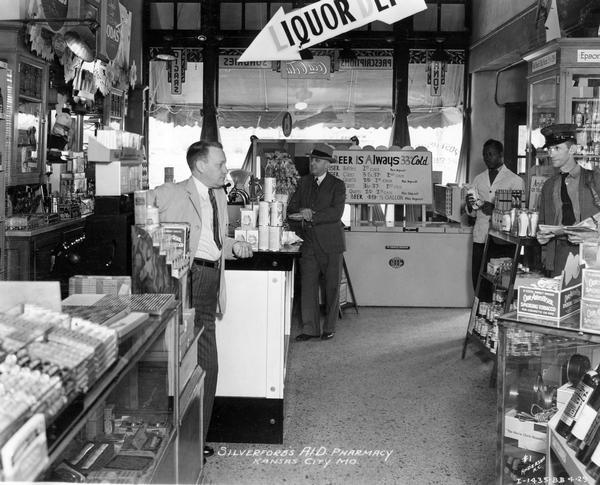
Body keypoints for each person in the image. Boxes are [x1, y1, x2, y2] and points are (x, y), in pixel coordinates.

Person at [149, 140, 253, 461]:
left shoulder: (219, 194)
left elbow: (212, 236)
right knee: (175, 354)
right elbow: (140, 216)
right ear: (200, 166)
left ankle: (197, 436)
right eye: (220, 164)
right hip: (183, 277)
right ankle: (170, 436)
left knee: (204, 358)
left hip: (208, 278)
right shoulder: (168, 193)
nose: (226, 168)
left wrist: (234, 244)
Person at [288, 143, 346, 341]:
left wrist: (311, 215)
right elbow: (291, 209)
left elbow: (336, 213)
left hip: (331, 244)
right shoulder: (303, 183)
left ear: (327, 164)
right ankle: (310, 328)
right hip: (308, 243)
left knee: (331, 287)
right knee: (308, 286)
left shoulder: (338, 185)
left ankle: (329, 326)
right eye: (312, 159)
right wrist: (300, 217)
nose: (313, 163)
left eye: (317, 160)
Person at [537, 124, 600, 276]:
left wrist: (595, 236)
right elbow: (543, 225)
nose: (551, 154)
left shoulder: (595, 180)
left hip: (591, 256)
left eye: (557, 148)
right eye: (549, 149)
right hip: (559, 256)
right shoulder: (548, 186)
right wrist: (542, 237)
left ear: (572, 150)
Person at [466, 139, 525, 289]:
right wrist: (469, 204)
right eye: (485, 154)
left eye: (491, 154)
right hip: (481, 237)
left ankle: (499, 311)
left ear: (500, 155)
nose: (487, 158)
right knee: (479, 278)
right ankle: (480, 311)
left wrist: (495, 208)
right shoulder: (478, 179)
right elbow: (472, 214)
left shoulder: (515, 180)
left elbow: (518, 214)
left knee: (501, 281)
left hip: (503, 240)